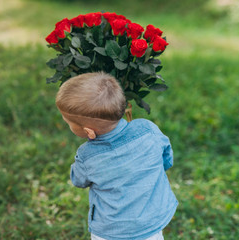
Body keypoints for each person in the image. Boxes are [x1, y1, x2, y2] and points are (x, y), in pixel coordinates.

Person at [55, 72, 178, 240]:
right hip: (151, 223)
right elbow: (166, 157)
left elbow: (78, 180)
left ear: (88, 132)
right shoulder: (147, 130)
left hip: (111, 232)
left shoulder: (87, 156)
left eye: (69, 123)